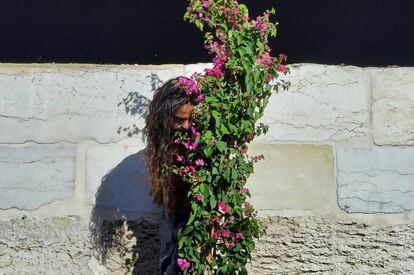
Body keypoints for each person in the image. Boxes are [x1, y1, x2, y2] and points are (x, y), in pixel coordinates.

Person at [142, 76, 199, 275]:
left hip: (195, 215)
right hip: (171, 214)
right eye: (179, 119)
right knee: (168, 265)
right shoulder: (161, 135)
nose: (186, 125)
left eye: (189, 119)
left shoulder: (198, 135)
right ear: (165, 116)